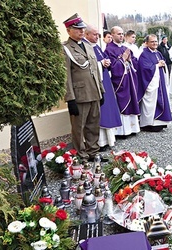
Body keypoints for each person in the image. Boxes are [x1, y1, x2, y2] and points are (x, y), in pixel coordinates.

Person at [62, 14, 105, 163]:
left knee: (93, 124)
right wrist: (70, 98)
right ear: (68, 30)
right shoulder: (65, 49)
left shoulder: (87, 45)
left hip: (94, 92)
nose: (81, 31)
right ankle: (81, 155)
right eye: (77, 29)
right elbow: (66, 76)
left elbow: (95, 70)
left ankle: (93, 151)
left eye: (82, 29)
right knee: (79, 127)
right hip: (79, 94)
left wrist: (101, 90)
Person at [84, 25, 122, 151]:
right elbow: (85, 65)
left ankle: (107, 140)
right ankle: (98, 142)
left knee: (108, 109)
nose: (97, 37)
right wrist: (101, 64)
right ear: (86, 34)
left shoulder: (96, 46)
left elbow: (102, 58)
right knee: (99, 112)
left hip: (104, 81)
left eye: (98, 35)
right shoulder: (85, 46)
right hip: (95, 84)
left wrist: (106, 62)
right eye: (95, 34)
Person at [105, 26, 140, 136]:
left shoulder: (125, 48)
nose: (121, 36)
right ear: (113, 35)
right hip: (119, 82)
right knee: (122, 103)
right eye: (118, 34)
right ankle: (121, 131)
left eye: (122, 34)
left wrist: (130, 60)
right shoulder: (108, 49)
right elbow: (112, 68)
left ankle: (132, 128)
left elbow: (135, 62)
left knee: (132, 101)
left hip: (129, 80)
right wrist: (122, 59)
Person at [137, 34, 172, 132]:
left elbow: (162, 62)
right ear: (147, 43)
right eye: (152, 41)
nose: (155, 43)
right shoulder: (144, 54)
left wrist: (163, 64)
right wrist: (157, 66)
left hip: (159, 83)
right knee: (151, 102)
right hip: (150, 83)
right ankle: (149, 123)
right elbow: (145, 69)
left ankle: (160, 122)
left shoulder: (158, 53)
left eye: (156, 41)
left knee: (162, 100)